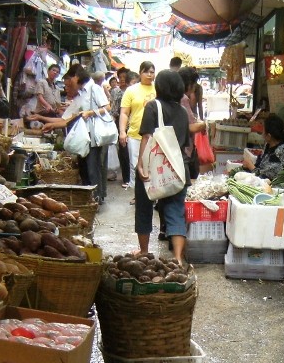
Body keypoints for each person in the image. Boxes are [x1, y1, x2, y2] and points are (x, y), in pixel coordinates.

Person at [135, 70, 191, 265]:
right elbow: (185, 144)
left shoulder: (153, 106)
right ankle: (177, 257)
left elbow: (147, 137)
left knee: (144, 207)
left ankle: (144, 251)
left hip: (154, 167)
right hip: (177, 169)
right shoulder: (183, 112)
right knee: (175, 211)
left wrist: (141, 164)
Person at [63, 63, 111, 203]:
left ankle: (95, 198)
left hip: (94, 136)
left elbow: (107, 106)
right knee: (85, 168)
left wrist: (90, 113)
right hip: (85, 136)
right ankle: (90, 198)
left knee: (92, 168)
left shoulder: (94, 88)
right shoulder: (82, 92)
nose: (69, 83)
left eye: (70, 79)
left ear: (76, 77)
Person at [119, 61, 157, 192]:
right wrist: (122, 132)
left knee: (153, 165)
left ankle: (154, 194)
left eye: (152, 72)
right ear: (140, 73)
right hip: (135, 134)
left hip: (155, 135)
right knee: (135, 165)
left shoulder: (158, 89)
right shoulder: (131, 90)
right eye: (146, 71)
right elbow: (124, 113)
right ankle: (137, 194)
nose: (149, 75)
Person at [244, 114, 284, 182]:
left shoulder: (280, 152)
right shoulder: (270, 144)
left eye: (263, 131)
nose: (262, 133)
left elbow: (267, 177)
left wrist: (251, 166)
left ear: (269, 136)